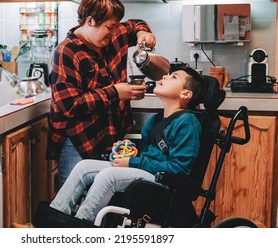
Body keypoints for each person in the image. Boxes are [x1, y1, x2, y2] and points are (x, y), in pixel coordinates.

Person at [49, 66, 205, 223]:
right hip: (146, 173)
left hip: (164, 182)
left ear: (186, 94)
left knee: (108, 176)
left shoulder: (187, 123)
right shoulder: (155, 120)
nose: (165, 77)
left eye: (174, 77)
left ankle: (80, 227)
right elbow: (147, 155)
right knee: (83, 168)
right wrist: (129, 152)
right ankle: (52, 220)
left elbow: (179, 169)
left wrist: (132, 162)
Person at [48, 0, 156, 186]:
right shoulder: (67, 52)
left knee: (105, 197)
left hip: (112, 136)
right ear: (90, 21)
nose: (115, 32)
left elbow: (133, 25)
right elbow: (70, 106)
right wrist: (116, 92)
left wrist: (143, 32)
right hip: (79, 140)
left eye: (116, 26)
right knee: (74, 200)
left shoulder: (113, 35)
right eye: (109, 27)